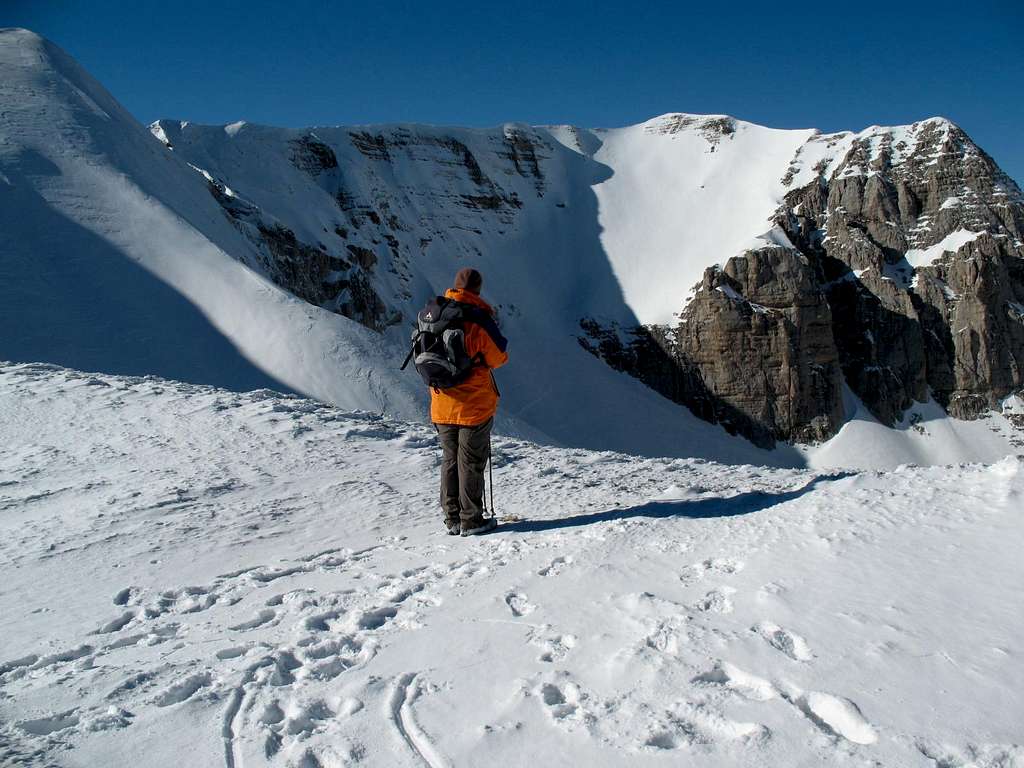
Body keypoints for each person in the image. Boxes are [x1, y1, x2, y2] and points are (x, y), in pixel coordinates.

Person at [432, 268, 508, 536]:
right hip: (472, 405)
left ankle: (451, 518)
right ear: (477, 289)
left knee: (450, 459)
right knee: (471, 461)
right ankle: (472, 520)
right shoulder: (478, 320)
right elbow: (498, 357)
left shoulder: (435, 313)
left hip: (441, 403)